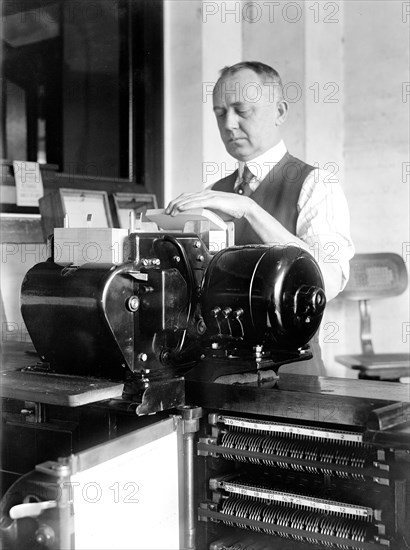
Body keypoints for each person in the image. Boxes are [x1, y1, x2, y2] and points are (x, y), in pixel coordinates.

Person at [165, 61, 354, 374]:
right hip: (221, 374)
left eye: (242, 109)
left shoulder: (316, 185)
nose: (229, 123)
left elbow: (328, 282)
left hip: (291, 374)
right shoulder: (215, 191)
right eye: (220, 112)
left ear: (279, 112)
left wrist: (249, 209)